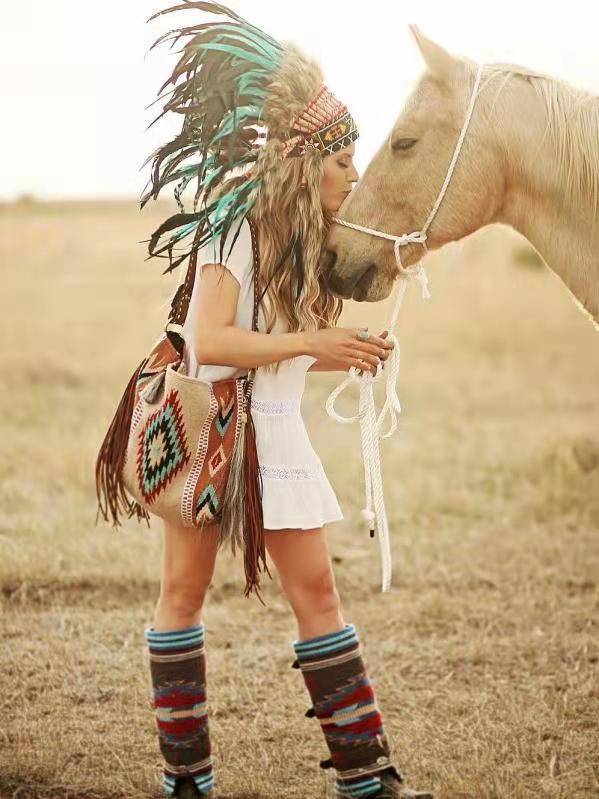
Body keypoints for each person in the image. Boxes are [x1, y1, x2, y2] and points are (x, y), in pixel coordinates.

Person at [139, 3, 433, 798]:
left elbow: (278, 365)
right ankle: (186, 780)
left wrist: (349, 353)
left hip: (274, 431)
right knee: (181, 594)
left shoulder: (301, 238)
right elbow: (209, 343)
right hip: (209, 431)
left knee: (317, 592)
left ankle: (367, 780)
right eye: (345, 163)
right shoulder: (233, 225)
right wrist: (310, 342)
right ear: (309, 165)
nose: (356, 178)